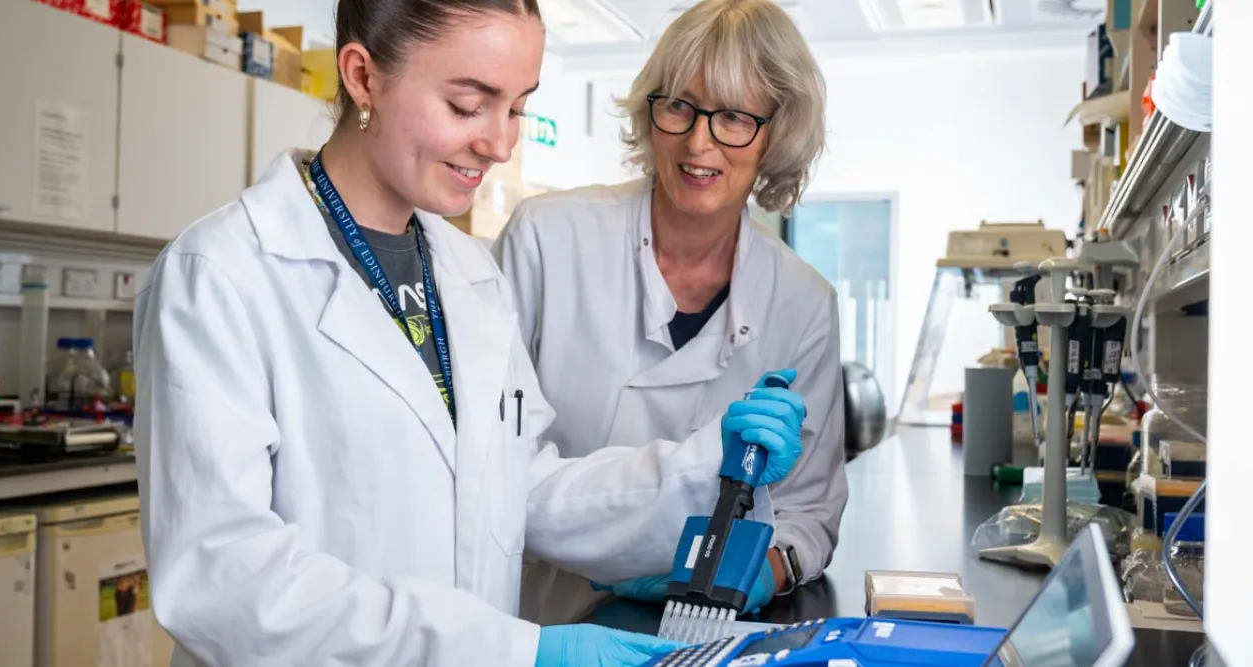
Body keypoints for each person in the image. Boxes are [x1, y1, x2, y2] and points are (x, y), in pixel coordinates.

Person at [131, 0, 811, 665]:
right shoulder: (223, 272)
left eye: (516, 106)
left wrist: (700, 467)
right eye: (467, 105)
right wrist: (519, 650)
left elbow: (522, 488)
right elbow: (222, 577)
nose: (501, 141)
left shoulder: (466, 273)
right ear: (363, 76)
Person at [493, 0, 848, 625]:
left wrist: (760, 572)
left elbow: (808, 510)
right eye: (679, 106)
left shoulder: (803, 302)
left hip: (704, 621)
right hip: (535, 616)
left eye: (734, 116)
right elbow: (489, 462)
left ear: (775, 135)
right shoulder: (548, 238)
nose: (698, 141)